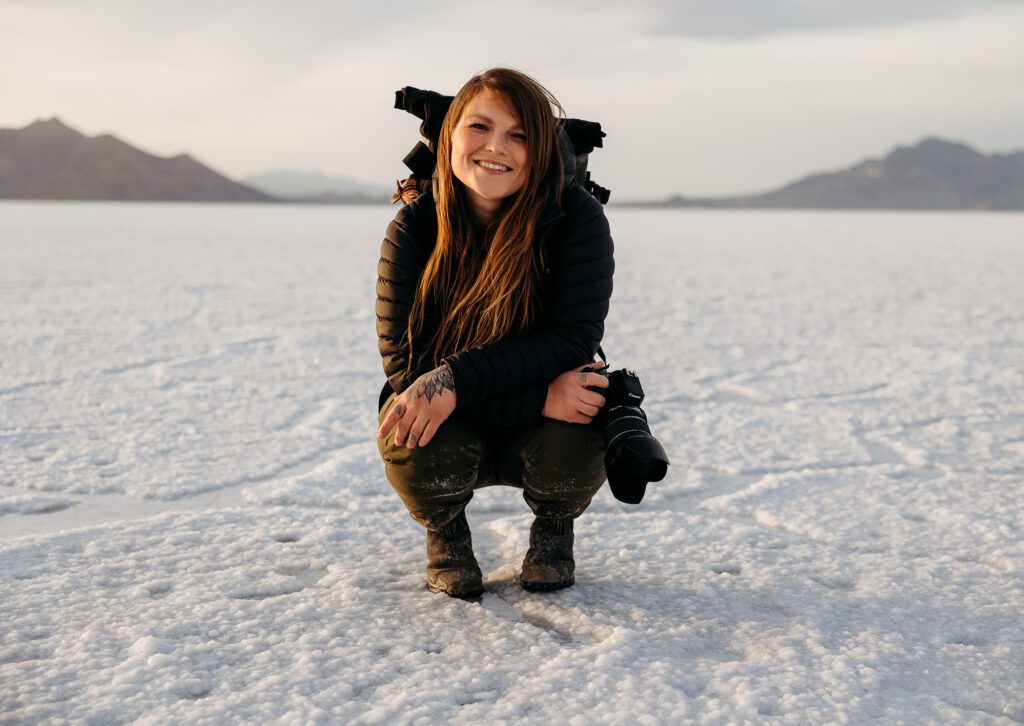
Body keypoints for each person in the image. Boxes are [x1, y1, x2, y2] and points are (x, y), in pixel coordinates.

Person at [375, 67, 615, 599]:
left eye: (519, 135)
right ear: (450, 136)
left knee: (587, 409)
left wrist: (458, 382)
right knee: (407, 414)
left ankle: (555, 529)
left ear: (542, 150)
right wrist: (533, 398)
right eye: (479, 128)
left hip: (537, 412)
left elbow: (571, 338)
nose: (495, 147)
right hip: (489, 408)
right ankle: (447, 535)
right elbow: (403, 361)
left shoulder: (576, 219)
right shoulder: (415, 226)